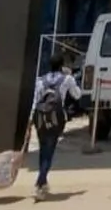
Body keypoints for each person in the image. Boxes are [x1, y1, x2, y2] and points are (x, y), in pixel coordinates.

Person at [29, 53, 82, 201]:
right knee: (49, 151)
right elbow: (77, 95)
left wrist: (31, 119)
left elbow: (35, 100)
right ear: (62, 65)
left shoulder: (40, 80)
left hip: (40, 117)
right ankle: (40, 182)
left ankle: (43, 181)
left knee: (43, 149)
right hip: (56, 118)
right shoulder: (67, 79)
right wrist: (71, 77)